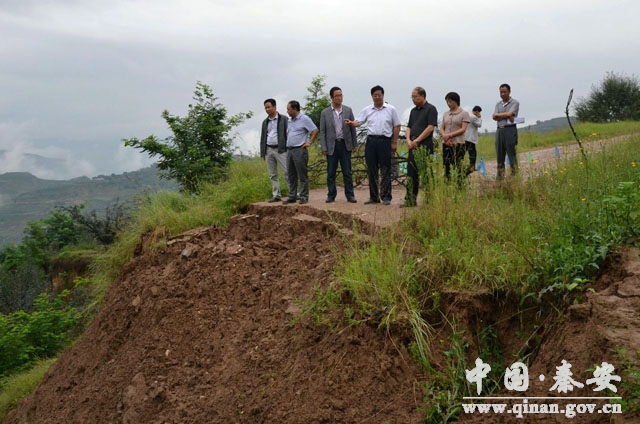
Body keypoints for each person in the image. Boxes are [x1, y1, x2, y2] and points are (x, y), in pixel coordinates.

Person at [345, 85, 400, 205]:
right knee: (372, 169)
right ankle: (374, 196)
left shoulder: (391, 109)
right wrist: (351, 123)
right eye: (375, 95)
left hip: (385, 141)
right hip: (371, 141)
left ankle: (386, 196)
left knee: (385, 169)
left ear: (383, 95)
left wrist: (394, 141)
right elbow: (359, 122)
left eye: (379, 95)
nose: (377, 97)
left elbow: (397, 125)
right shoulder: (367, 110)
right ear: (372, 97)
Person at [320, 87, 358, 203]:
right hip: (332, 146)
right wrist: (324, 147)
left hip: (345, 144)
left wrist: (354, 144)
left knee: (347, 172)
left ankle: (350, 195)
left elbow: (352, 128)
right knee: (331, 172)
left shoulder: (348, 110)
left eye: (341, 95)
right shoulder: (325, 113)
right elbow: (322, 131)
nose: (339, 98)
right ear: (332, 97)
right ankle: (331, 195)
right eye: (337, 95)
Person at [403, 87, 438, 207]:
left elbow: (430, 127)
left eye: (415, 97)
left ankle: (429, 200)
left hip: (424, 146)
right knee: (411, 174)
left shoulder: (431, 109)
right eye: (412, 97)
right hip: (412, 146)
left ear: (422, 96)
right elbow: (409, 127)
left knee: (426, 173)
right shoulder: (413, 111)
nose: (413, 99)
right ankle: (410, 200)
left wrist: (418, 140)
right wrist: (408, 140)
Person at [283, 100, 318, 205]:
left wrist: (309, 142)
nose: (287, 111)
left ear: (295, 109)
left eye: (289, 109)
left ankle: (303, 196)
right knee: (291, 174)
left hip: (299, 149)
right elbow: (288, 132)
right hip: (290, 150)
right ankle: (292, 196)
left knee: (302, 174)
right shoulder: (289, 121)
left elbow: (315, 130)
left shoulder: (304, 119)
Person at [260, 99, 288, 202]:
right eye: (265, 108)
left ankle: (293, 193)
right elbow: (263, 137)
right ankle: (276, 195)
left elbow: (288, 133)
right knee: (272, 174)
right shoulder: (265, 122)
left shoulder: (284, 119)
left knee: (286, 172)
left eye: (269, 107)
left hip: (281, 149)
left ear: (275, 107)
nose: (267, 109)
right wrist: (263, 152)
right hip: (268, 149)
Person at [440, 92, 470, 186]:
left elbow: (463, 129)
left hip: (458, 143)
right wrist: (445, 136)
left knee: (458, 164)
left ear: (456, 101)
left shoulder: (464, 113)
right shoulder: (446, 114)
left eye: (450, 101)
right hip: (446, 143)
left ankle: (459, 184)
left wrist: (450, 135)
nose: (448, 104)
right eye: (447, 102)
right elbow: (442, 128)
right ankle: (447, 183)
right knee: (446, 165)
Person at [492, 83, 520, 179]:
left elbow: (509, 114)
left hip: (510, 130)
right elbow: (494, 117)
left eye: (505, 92)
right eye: (501, 92)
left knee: (511, 153)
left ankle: (514, 176)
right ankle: (500, 177)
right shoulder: (498, 104)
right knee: (499, 155)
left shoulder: (515, 102)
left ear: (509, 92)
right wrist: (506, 115)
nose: (503, 94)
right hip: (499, 130)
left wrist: (499, 115)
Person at [464, 105, 483, 175]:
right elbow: (479, 125)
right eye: (479, 112)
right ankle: (472, 167)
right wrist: (480, 118)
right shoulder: (473, 117)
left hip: (466, 137)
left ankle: (471, 166)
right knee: (473, 153)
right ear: (477, 111)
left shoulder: (468, 115)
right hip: (470, 138)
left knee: (466, 152)